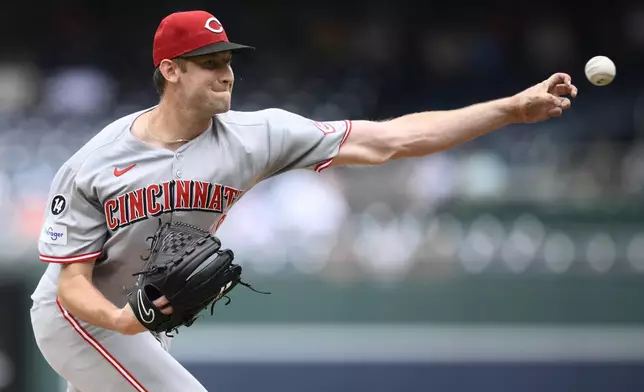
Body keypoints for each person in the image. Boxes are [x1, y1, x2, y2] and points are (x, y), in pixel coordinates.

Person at [29, 9, 578, 392]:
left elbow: (392, 140)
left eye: (228, 58)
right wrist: (124, 321)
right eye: (210, 60)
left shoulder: (257, 135)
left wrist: (509, 108)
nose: (227, 71)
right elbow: (72, 283)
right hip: (77, 316)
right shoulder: (96, 162)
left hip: (142, 316)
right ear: (171, 71)